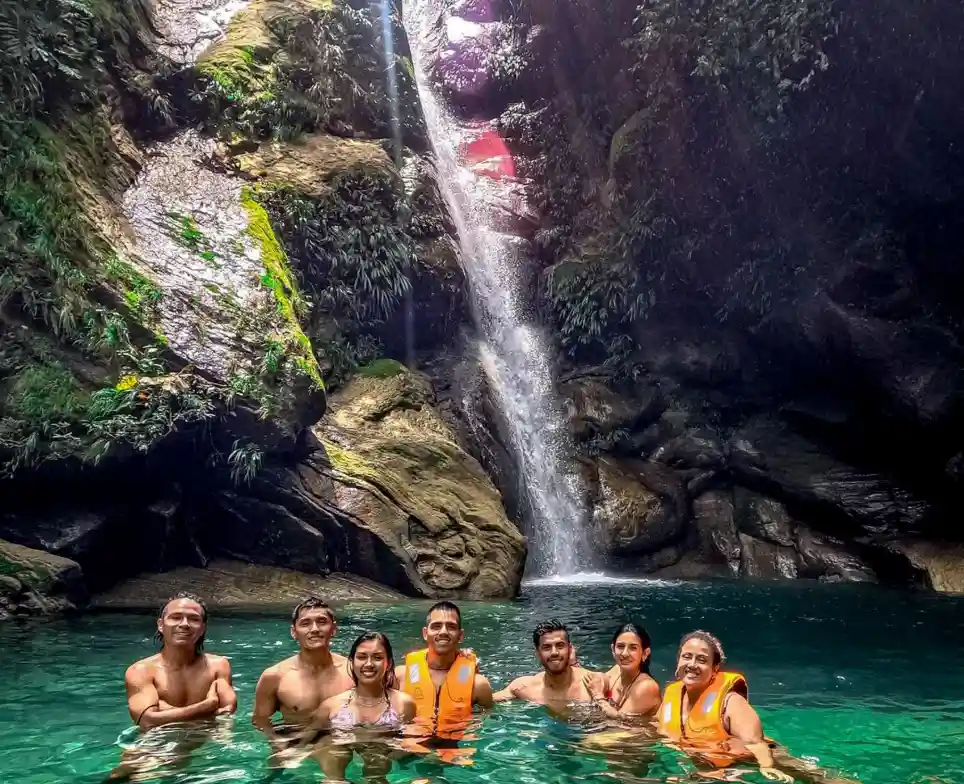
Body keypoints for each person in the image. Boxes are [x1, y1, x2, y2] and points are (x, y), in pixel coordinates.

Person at [659, 630, 859, 784]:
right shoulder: (672, 697)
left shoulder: (730, 702)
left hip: (755, 758)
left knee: (817, 777)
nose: (692, 664)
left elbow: (755, 743)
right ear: (678, 659)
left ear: (715, 669)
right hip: (713, 763)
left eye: (702, 660)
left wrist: (766, 766)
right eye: (687, 656)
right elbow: (658, 729)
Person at [107, 592, 236, 780]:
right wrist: (205, 706)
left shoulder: (219, 665)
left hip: (201, 741)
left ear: (202, 628)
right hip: (156, 743)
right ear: (160, 625)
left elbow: (227, 709)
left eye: (194, 619)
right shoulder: (142, 671)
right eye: (176, 617)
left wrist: (167, 712)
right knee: (118, 778)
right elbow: (147, 721)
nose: (184, 624)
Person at [307, 632, 416, 783]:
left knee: (378, 760)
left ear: (389, 663)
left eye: (377, 658)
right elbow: (309, 740)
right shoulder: (332, 706)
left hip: (380, 769)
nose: (369, 664)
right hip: (338, 771)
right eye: (362, 657)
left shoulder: (403, 704)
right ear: (351, 662)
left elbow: (412, 743)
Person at [394, 601, 493, 764]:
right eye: (436, 626)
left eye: (451, 627)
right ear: (425, 633)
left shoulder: (479, 685)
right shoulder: (401, 675)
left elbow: (485, 720)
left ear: (460, 635)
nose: (443, 632)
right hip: (410, 749)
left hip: (456, 751)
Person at [251, 597, 353, 750]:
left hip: (341, 744)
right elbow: (260, 719)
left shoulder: (352, 671)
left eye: (322, 622)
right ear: (294, 631)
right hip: (294, 743)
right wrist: (276, 741)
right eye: (306, 623)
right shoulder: (275, 676)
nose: (314, 629)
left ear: (333, 629)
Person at [494, 620, 605, 713]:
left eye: (560, 645)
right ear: (537, 653)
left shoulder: (595, 683)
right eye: (546, 647)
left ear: (570, 649)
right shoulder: (524, 687)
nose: (554, 652)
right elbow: (484, 701)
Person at [584, 622, 661, 720]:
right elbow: (597, 682)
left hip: (640, 733)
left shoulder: (647, 687)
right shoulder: (616, 670)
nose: (624, 653)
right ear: (613, 649)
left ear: (645, 653)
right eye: (620, 646)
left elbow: (619, 722)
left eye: (633, 648)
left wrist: (599, 697)